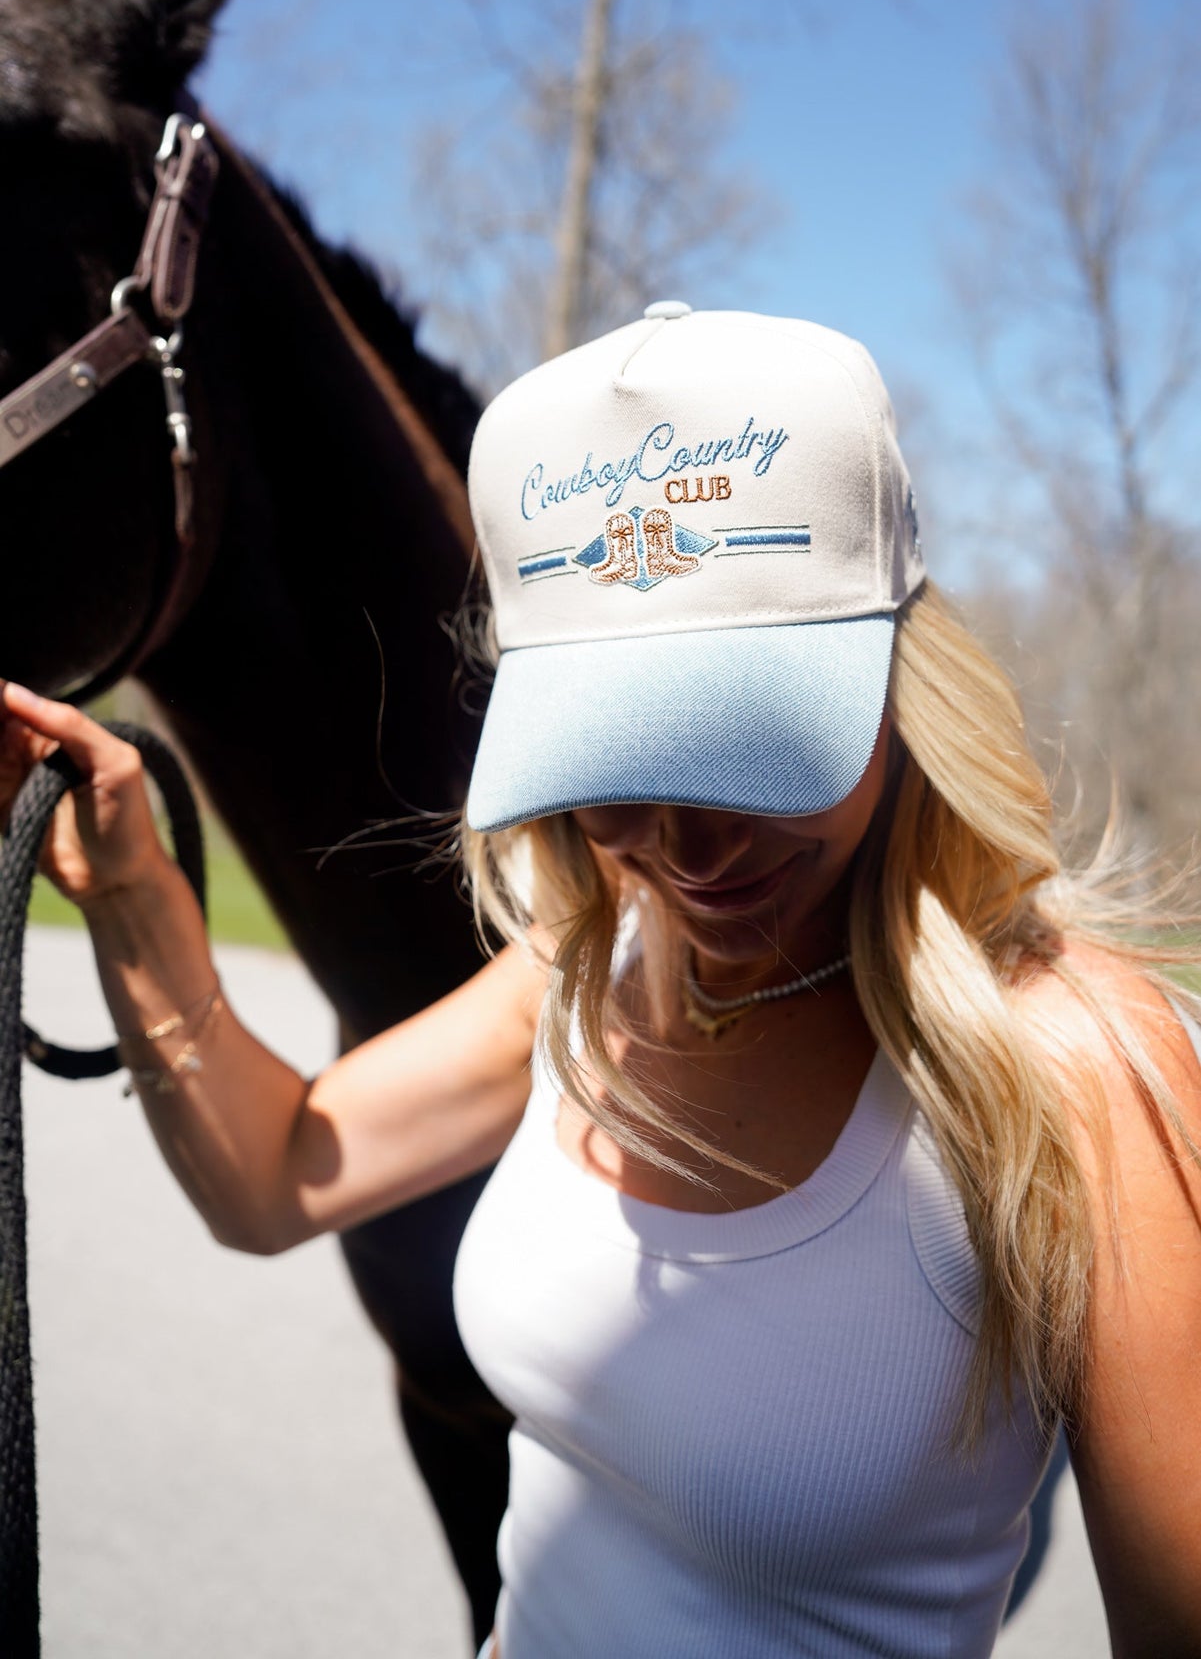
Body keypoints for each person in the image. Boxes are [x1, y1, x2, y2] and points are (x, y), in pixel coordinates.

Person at [3, 305, 1200, 1658]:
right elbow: (276, 1175)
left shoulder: (1081, 1069)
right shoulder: (599, 965)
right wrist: (136, 897)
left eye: (749, 748)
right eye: (615, 763)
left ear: (901, 678)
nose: (684, 850)